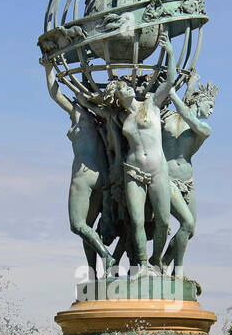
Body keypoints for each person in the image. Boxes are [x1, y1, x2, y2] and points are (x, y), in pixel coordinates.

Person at [107, 33, 177, 271]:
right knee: (136, 221)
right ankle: (142, 267)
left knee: (164, 220)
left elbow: (170, 82)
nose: (124, 89)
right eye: (120, 89)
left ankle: (157, 261)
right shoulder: (121, 117)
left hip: (157, 169)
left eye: (125, 86)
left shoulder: (151, 104)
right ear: (118, 97)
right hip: (132, 170)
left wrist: (170, 53)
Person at [46, 59, 115, 272]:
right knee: (89, 228)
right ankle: (95, 274)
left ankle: (105, 256)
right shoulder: (106, 119)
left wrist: (48, 67)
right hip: (104, 177)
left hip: (83, 177)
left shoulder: (80, 115)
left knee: (78, 225)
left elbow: (54, 94)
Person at [160, 73, 216, 278]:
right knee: (188, 223)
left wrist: (174, 95)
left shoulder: (203, 128)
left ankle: (162, 263)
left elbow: (187, 115)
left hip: (188, 183)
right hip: (165, 179)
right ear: (198, 102)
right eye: (209, 105)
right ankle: (178, 271)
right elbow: (183, 110)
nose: (211, 110)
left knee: (190, 230)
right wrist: (188, 87)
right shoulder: (168, 119)